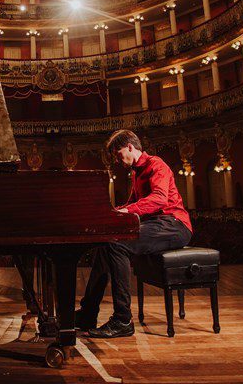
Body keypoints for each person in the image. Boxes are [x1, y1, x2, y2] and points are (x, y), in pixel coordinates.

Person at [79, 129, 193, 338]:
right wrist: (112, 213)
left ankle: (123, 320)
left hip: (175, 224)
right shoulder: (137, 172)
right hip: (158, 224)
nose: (117, 160)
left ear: (130, 147)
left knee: (116, 243)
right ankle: (87, 314)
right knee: (106, 244)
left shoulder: (156, 165)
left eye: (118, 154)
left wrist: (127, 211)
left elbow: (159, 199)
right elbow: (133, 203)